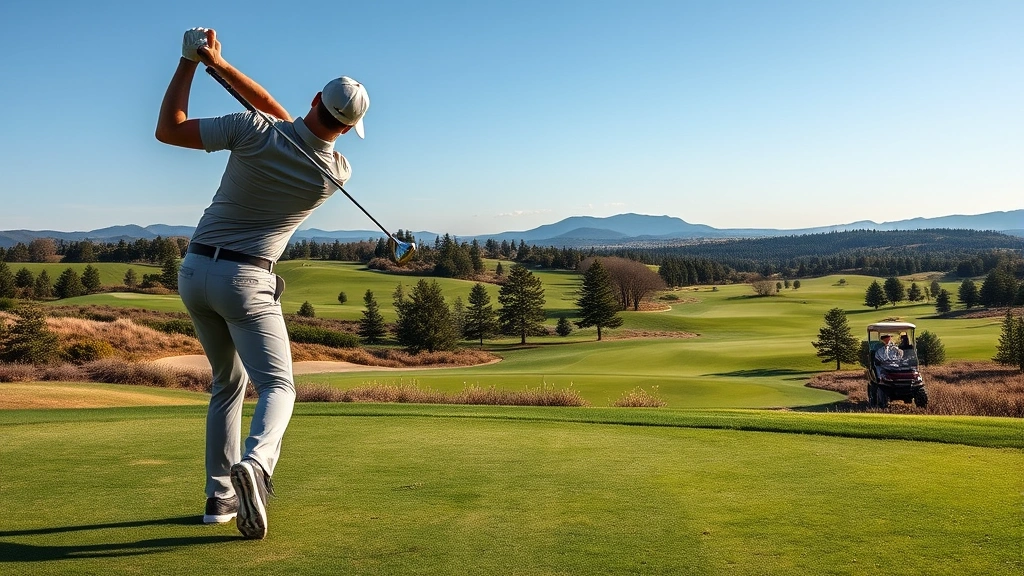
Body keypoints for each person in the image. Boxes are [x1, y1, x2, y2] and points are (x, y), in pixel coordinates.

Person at [155, 28, 369, 540]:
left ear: (315, 99)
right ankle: (257, 464)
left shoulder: (252, 130)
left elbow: (170, 129)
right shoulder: (337, 171)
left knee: (227, 385)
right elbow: (282, 117)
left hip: (194, 272)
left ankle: (219, 497)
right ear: (349, 127)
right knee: (277, 385)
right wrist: (218, 67)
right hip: (248, 280)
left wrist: (193, 62)